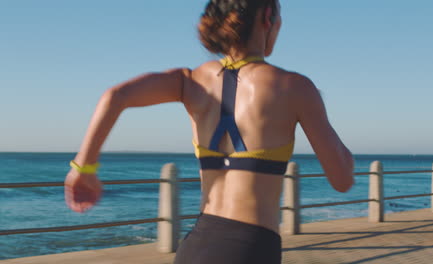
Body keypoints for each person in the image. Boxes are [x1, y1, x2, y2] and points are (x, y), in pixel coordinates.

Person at [64, 0, 355, 263]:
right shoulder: (294, 87)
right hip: (250, 249)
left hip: (196, 246)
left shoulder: (190, 81)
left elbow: (115, 96)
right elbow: (342, 179)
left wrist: (83, 167)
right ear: (267, 17)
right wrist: (319, 111)